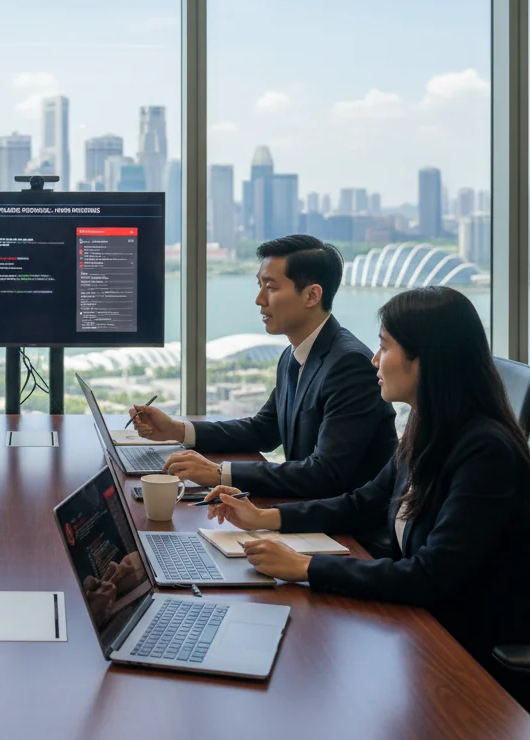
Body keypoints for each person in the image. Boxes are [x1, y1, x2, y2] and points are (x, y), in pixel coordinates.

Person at [202, 286, 530, 699]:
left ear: (426, 359)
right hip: (420, 625)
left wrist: (304, 567)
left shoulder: (485, 451)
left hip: (463, 649)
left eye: (385, 347)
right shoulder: (427, 426)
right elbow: (363, 502)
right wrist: (266, 518)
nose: (374, 360)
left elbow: (431, 576)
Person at [130, 235, 397, 498]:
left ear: (312, 295)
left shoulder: (350, 365)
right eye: (260, 285)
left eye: (270, 287)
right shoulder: (293, 356)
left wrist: (219, 473)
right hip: (307, 510)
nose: (259, 299)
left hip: (348, 532)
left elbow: (324, 474)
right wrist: (175, 430)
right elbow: (263, 431)